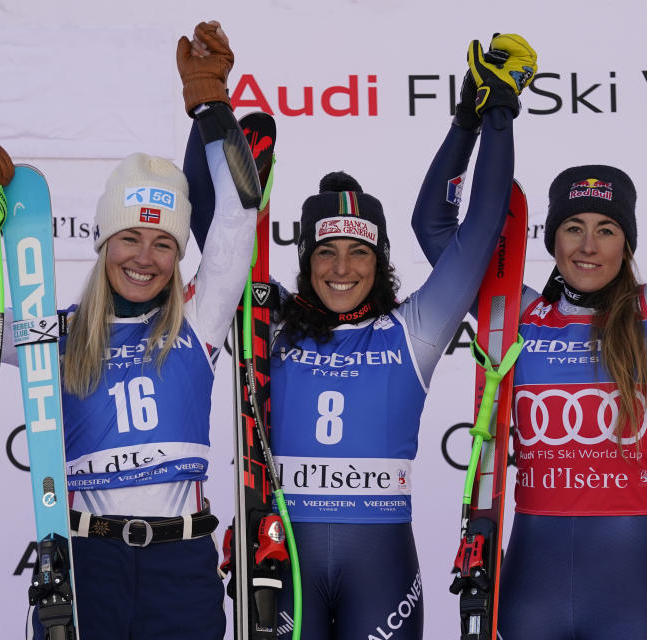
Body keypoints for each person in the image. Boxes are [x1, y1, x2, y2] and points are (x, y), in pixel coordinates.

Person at [411, 17, 647, 639]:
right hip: (531, 581)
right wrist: (467, 122)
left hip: (629, 586)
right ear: (551, 239)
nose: (588, 246)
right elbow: (434, 229)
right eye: (573, 228)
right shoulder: (511, 309)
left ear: (627, 242)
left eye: (606, 229)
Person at [0, 21, 259, 640]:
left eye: (162, 244)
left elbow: (239, 212)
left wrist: (211, 106)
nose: (144, 258)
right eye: (128, 237)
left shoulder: (200, 322)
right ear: (102, 243)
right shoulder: (52, 336)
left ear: (178, 256)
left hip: (182, 568)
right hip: (85, 564)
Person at [184, 32, 538, 640]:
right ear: (306, 258)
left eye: (358, 252)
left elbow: (483, 228)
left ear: (380, 261)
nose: (341, 269)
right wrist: (204, 106)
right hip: (285, 562)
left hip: (382, 574)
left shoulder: (413, 330)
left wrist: (492, 113)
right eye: (326, 252)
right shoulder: (264, 319)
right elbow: (210, 218)